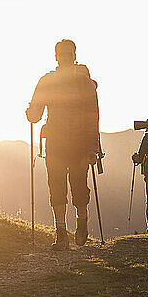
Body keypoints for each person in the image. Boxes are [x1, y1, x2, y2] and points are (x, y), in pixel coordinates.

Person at [26, 39, 99, 250]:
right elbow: (37, 113)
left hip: (74, 144)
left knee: (77, 188)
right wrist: (32, 114)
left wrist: (92, 147)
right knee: (57, 187)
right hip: (63, 143)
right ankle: (62, 234)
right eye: (62, 53)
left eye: (68, 53)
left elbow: (35, 115)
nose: (65, 57)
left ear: (74, 55)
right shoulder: (83, 83)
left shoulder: (51, 81)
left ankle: (79, 223)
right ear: (57, 56)